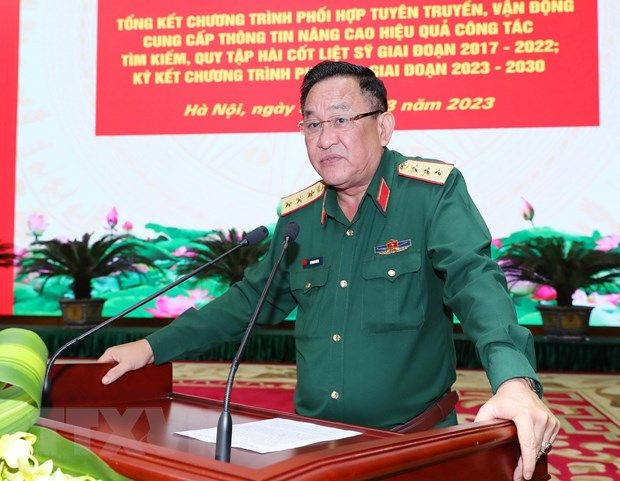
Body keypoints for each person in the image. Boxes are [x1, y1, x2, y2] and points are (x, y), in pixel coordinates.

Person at [99, 61, 560, 481]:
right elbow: (248, 302)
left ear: (384, 126)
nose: (324, 139)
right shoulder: (298, 219)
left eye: (341, 120)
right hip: (315, 451)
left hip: (412, 447)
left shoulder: (430, 194)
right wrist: (151, 346)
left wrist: (514, 380)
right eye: (312, 124)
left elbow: (474, 280)